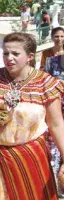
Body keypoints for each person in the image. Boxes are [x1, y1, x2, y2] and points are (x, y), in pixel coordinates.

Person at [0, 32, 64, 199]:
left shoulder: (45, 83)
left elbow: (56, 125)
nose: (9, 58)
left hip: (29, 157)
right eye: (5, 53)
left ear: (30, 56)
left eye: (15, 53)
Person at [44, 54, 64, 197]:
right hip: (55, 111)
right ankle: (55, 188)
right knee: (54, 149)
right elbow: (45, 85)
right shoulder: (52, 62)